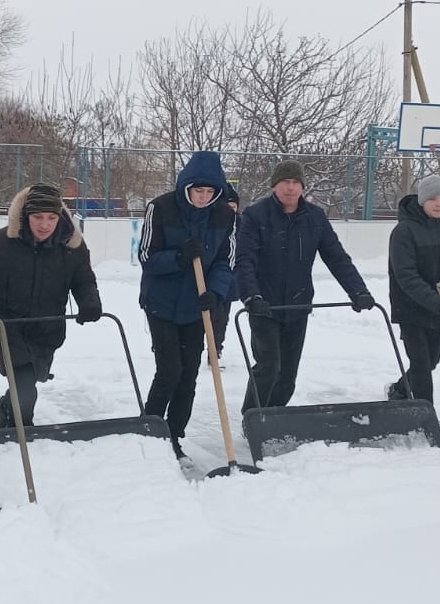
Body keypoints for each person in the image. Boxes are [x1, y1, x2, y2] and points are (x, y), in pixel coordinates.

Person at [234, 160, 375, 412]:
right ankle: (253, 416)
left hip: (297, 304)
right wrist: (251, 295)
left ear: (302, 186)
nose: (290, 188)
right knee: (268, 367)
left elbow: (337, 257)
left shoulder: (315, 217)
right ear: (274, 185)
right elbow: (245, 260)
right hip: (264, 305)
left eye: (295, 183)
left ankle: (275, 415)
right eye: (285, 182)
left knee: (287, 376)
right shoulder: (256, 216)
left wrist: (358, 290)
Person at [0, 183, 102, 428]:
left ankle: (5, 424)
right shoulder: (1, 243)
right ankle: (24, 432)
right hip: (7, 326)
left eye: (51, 217)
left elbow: (83, 280)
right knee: (24, 383)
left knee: (29, 380)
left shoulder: (71, 246)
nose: (44, 225)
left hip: (47, 328)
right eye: (37, 217)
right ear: (25, 215)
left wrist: (90, 302)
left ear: (60, 217)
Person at [138, 151, 236, 459]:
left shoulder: (225, 215)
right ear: (186, 187)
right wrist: (179, 257)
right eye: (198, 191)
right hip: (162, 304)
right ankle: (150, 432)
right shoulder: (161, 208)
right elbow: (146, 257)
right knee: (169, 370)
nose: (203, 197)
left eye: (209, 192)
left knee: (188, 373)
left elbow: (225, 261)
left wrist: (216, 293)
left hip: (197, 306)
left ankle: (175, 435)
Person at [385, 174, 440, 403]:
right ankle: (425, 415)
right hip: (410, 306)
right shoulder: (403, 232)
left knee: (431, 361)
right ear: (422, 201)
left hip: (439, 304)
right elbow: (406, 277)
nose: (439, 203)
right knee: (421, 364)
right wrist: (438, 304)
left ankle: (399, 390)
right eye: (432, 198)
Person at [209, 183, 242, 370]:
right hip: (212, 280)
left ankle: (215, 351)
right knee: (211, 317)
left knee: (222, 319)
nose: (230, 210)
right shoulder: (214, 224)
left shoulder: (242, 224)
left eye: (233, 206)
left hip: (229, 281)